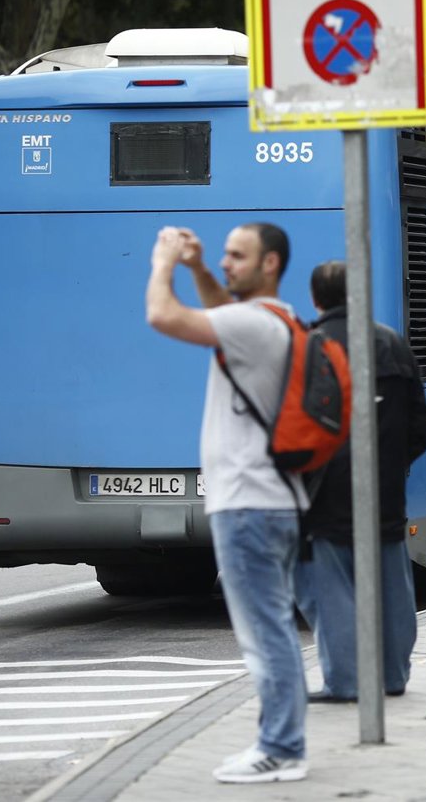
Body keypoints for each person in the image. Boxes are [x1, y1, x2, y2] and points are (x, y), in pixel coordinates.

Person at [145, 223, 308, 784]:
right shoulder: (272, 319)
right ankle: (279, 741)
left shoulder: (250, 324)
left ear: (270, 264)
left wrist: (164, 262)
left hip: (248, 505)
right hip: (268, 501)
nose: (227, 262)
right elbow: (220, 313)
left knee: (264, 633)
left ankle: (281, 747)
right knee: (271, 627)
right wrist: (200, 272)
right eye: (225, 255)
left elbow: (163, 317)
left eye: (237, 256)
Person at [294, 261, 426, 704]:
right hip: (384, 485)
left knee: (331, 588)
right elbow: (418, 427)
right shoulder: (392, 343)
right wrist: (392, 464)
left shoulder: (308, 348)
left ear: (316, 299)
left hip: (324, 490)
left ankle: (346, 680)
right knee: (392, 581)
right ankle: (393, 673)